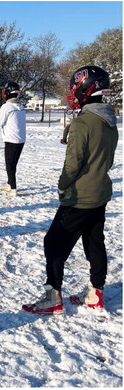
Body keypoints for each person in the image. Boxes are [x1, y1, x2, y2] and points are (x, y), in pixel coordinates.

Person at [23, 65, 118, 315]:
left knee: (53, 242)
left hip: (80, 196)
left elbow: (73, 163)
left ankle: (53, 295)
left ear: (87, 89)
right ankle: (95, 293)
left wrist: (62, 184)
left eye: (77, 88)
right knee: (94, 241)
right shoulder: (110, 120)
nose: (74, 93)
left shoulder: (83, 123)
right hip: (101, 192)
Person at [0, 81, 26, 197]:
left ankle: (13, 188)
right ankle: (10, 184)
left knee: (10, 165)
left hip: (12, 140)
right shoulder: (20, 105)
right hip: (20, 140)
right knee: (13, 164)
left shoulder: (7, 107)